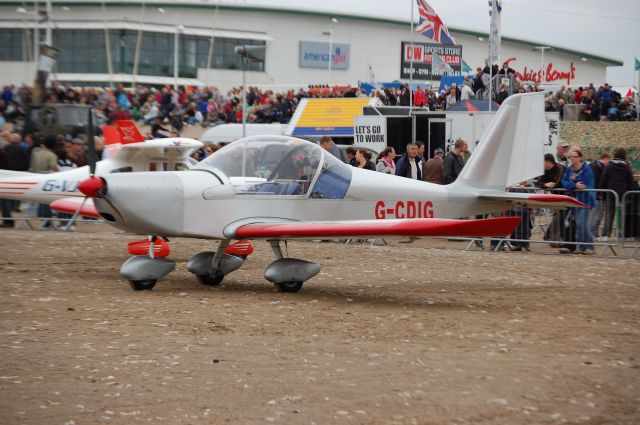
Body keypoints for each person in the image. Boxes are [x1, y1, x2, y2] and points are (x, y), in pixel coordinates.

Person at [560, 148, 596, 255]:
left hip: (586, 200)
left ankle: (590, 247)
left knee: (582, 224)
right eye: (571, 157)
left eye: (575, 156)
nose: (572, 158)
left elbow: (584, 184)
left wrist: (575, 185)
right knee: (579, 224)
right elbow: (564, 182)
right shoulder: (569, 169)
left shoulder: (587, 169)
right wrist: (574, 185)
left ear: (580, 157)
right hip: (575, 200)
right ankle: (582, 247)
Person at [599, 148, 637, 239]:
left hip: (610, 192)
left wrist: (601, 191)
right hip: (624, 193)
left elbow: (604, 179)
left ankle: (605, 235)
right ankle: (621, 234)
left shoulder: (609, 166)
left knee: (609, 214)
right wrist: (631, 193)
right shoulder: (626, 167)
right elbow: (630, 181)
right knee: (622, 214)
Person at [30, 135, 59, 229]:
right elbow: (53, 167)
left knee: (41, 202)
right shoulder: (51, 155)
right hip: (47, 181)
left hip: (36, 178)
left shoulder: (36, 153)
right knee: (47, 202)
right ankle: (48, 222)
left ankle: (44, 220)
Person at [588, 152, 611, 239]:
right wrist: (599, 194)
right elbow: (596, 182)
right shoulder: (595, 167)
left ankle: (594, 232)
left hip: (598, 195)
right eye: (608, 160)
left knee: (598, 215)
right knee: (595, 215)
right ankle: (591, 233)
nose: (609, 163)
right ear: (605, 158)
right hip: (595, 195)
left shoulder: (600, 167)